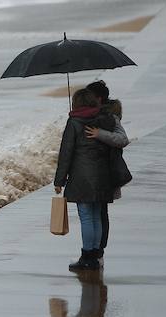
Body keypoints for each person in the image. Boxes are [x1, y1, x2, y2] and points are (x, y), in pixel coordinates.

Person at [54, 88, 117, 271]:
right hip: (103, 175)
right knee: (96, 215)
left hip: (82, 177)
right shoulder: (105, 120)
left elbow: (66, 153)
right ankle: (95, 255)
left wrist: (59, 180)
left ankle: (87, 256)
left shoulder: (74, 122)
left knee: (86, 217)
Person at [84, 81, 129, 265]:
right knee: (94, 213)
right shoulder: (87, 114)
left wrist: (100, 133)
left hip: (106, 173)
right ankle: (93, 251)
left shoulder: (111, 117)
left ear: (99, 98)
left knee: (101, 212)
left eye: (89, 95)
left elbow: (123, 139)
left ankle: (99, 252)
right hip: (90, 173)